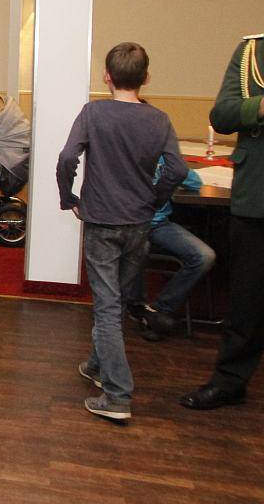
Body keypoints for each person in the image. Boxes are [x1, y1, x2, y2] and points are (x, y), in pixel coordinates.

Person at [57, 42, 187, 421]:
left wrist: (68, 197)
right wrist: (154, 199)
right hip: (138, 223)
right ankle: (97, 365)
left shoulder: (93, 113)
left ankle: (117, 395)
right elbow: (177, 169)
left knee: (108, 307)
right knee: (114, 301)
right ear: (146, 77)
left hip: (102, 221)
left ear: (106, 77)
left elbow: (67, 158)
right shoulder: (159, 119)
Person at [181, 31, 264, 411]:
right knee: (246, 300)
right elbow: (223, 114)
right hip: (257, 196)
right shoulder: (252, 52)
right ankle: (230, 381)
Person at [128, 161, 212, 342]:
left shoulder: (165, 156)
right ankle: (136, 306)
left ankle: (159, 309)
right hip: (131, 224)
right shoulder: (126, 153)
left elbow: (194, 182)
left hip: (160, 224)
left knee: (204, 256)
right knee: (139, 249)